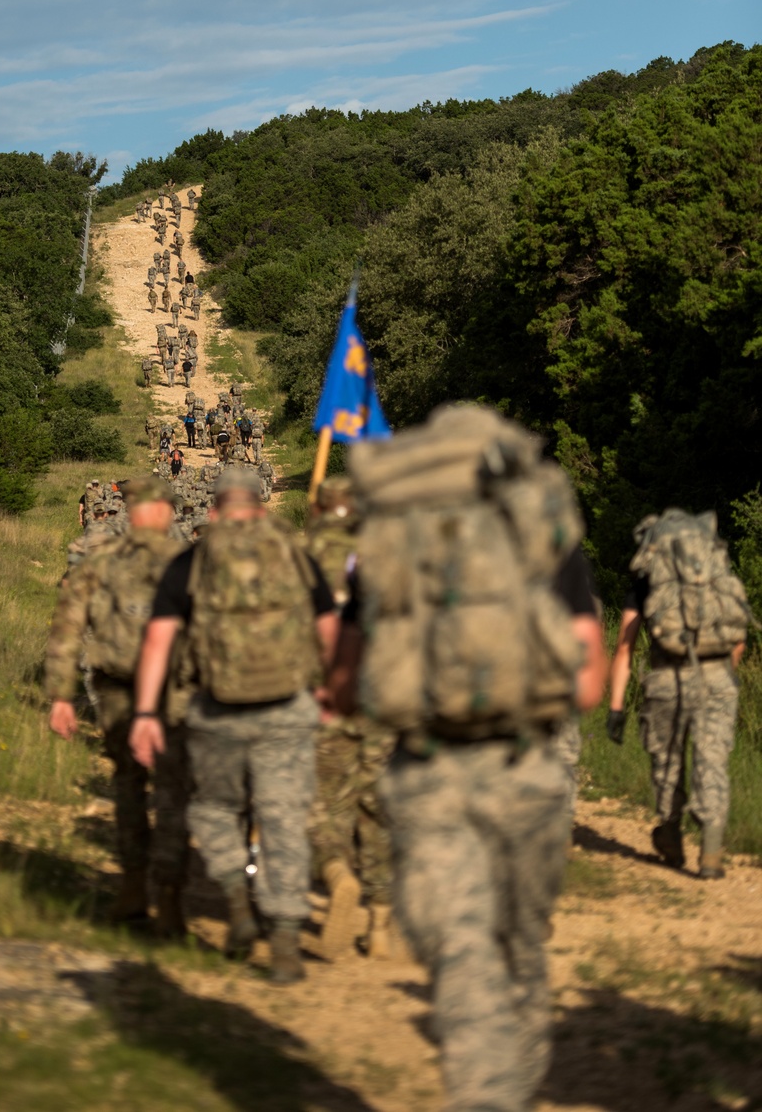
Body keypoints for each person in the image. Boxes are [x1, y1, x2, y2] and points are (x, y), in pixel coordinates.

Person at [335, 403, 607, 1112]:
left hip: (428, 771)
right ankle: (505, 1088)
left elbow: (344, 683)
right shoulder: (547, 542)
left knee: (460, 951)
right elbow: (588, 679)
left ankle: (483, 1092)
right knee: (518, 946)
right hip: (530, 770)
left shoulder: (392, 542)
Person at [131, 467, 339, 983]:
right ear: (263, 508)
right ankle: (286, 940)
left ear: (217, 510)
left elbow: (158, 641)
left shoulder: (193, 559)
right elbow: (329, 630)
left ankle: (236, 902)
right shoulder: (295, 556)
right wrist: (329, 688)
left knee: (213, 809)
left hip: (215, 711)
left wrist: (145, 713)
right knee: (285, 816)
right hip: (287, 710)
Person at [46, 479, 190, 934]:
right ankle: (168, 893)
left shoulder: (100, 562)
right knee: (174, 790)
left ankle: (132, 884)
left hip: (116, 692)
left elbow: (67, 629)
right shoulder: (189, 562)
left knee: (128, 785)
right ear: (167, 511)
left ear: (129, 511)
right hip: (177, 694)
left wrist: (61, 696)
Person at [606, 508, 749, 879]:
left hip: (667, 679)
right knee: (712, 760)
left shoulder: (647, 581)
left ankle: (670, 838)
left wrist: (616, 707)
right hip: (717, 678)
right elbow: (738, 640)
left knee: (667, 763)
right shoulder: (716, 576)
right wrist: (722, 679)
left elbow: (625, 647)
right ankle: (711, 853)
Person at [305, 477, 396, 960]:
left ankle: (337, 873)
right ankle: (381, 924)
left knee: (324, 801)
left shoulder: (311, 550)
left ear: (320, 508)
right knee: (378, 807)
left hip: (336, 686)